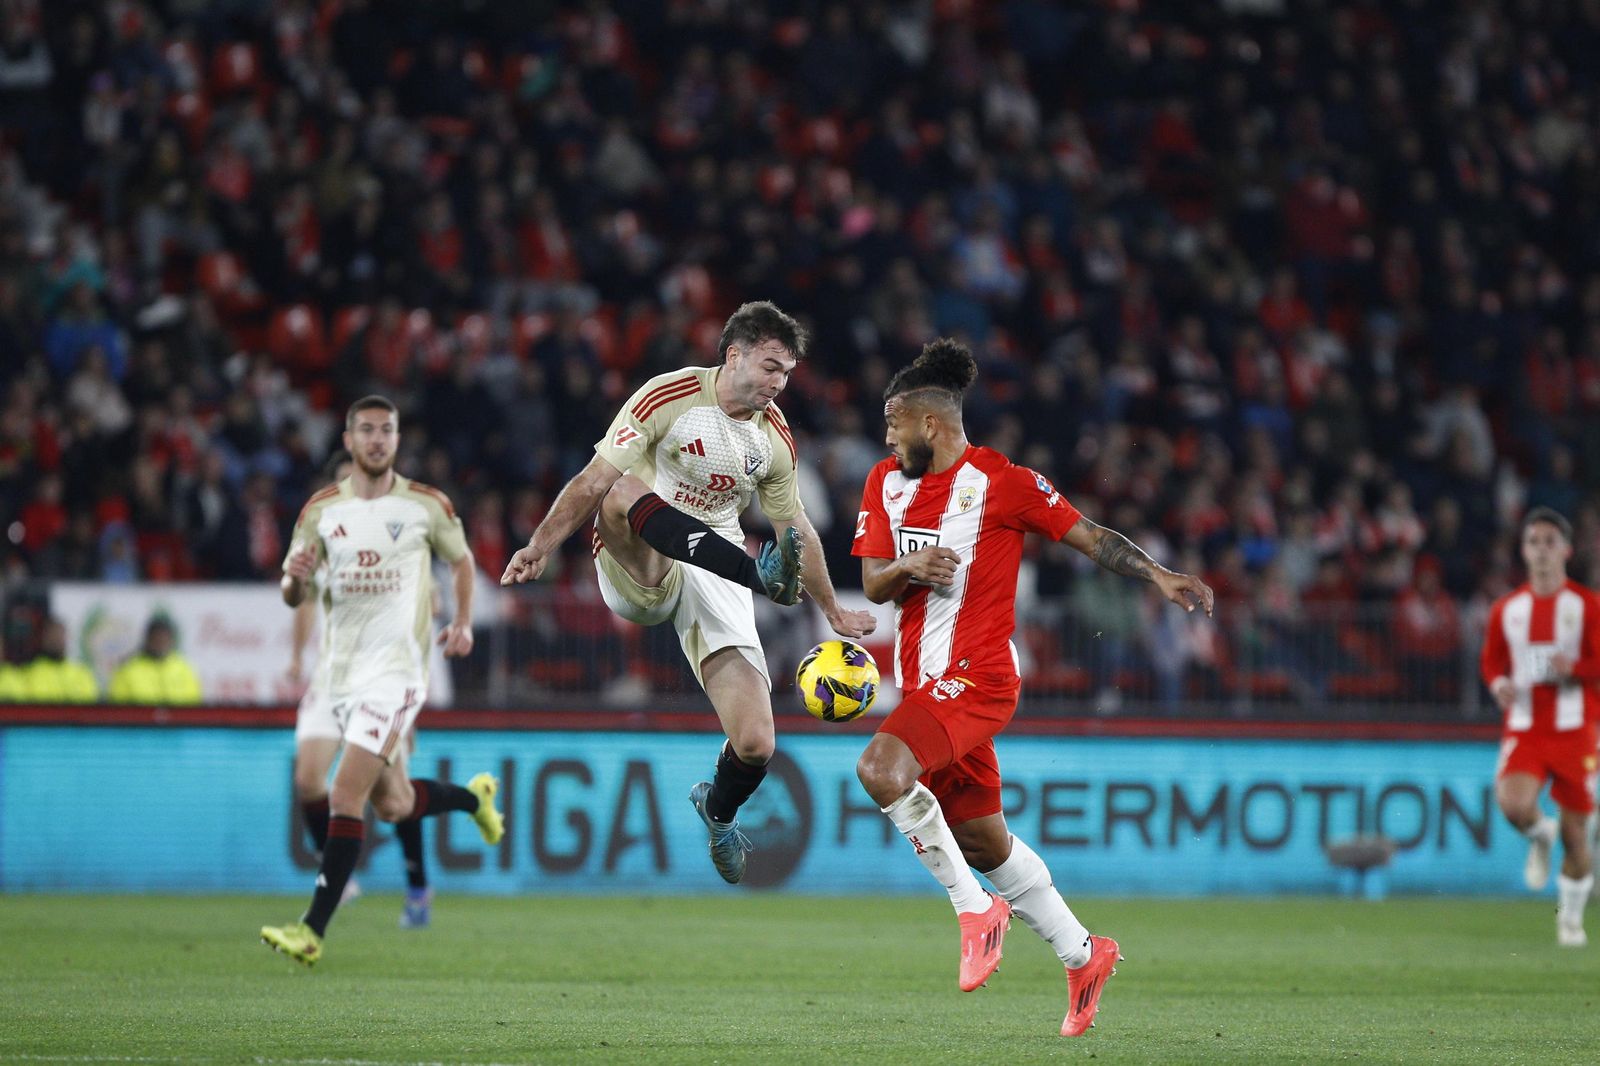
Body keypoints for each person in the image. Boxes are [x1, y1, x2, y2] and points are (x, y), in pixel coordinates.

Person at [851, 339, 1214, 1036]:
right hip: (926, 688)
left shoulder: (1005, 482)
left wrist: (1160, 575)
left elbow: (1091, 536)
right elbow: (873, 581)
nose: (886, 437)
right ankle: (1085, 954)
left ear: (930, 422)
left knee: (880, 769)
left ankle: (974, 911)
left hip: (980, 677)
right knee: (986, 844)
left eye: (894, 424)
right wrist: (912, 566)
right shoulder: (884, 483)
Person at [502, 301, 875, 884]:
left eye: (787, 374)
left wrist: (831, 609)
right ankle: (756, 576)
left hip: (714, 555)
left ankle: (719, 813)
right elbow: (594, 481)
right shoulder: (667, 397)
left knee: (755, 742)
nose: (779, 385)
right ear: (734, 355)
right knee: (623, 488)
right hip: (640, 560)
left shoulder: (772, 440)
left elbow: (794, 528)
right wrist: (540, 545)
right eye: (771, 368)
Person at [261, 395, 503, 967]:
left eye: (386, 431)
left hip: (395, 675)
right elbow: (293, 592)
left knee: (344, 793)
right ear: (348, 440)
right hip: (338, 679)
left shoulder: (425, 505)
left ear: (396, 440)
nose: (376, 439)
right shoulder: (320, 510)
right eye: (365, 430)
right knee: (393, 805)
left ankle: (312, 930)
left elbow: (462, 561)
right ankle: (475, 798)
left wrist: (463, 621)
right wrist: (293, 581)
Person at [287, 450, 435, 929]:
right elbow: (304, 601)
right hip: (333, 681)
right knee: (310, 779)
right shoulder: (321, 544)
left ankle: (417, 885)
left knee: (394, 799)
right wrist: (295, 657)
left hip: (386, 682)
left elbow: (422, 615)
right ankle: (337, 876)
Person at [1480, 506, 1600, 947]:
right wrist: (1498, 685)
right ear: (1524, 551)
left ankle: (1570, 920)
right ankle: (1539, 834)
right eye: (1534, 542)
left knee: (1577, 839)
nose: (1542, 550)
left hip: (1576, 729)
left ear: (1566, 550)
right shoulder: (1507, 610)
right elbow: (1492, 660)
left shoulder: (1587, 606)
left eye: (1551, 541)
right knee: (1512, 805)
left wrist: (1579, 668)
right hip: (1526, 726)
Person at [108, 616, 203, 704]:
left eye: (165, 638)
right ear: (148, 639)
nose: (161, 642)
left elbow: (194, 704)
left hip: (179, 721)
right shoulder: (128, 669)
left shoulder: (183, 668)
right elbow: (118, 709)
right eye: (157, 637)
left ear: (171, 640)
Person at [18, 618, 100, 702]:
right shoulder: (29, 674)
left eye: (60, 635)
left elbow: (89, 706)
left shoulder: (81, 673)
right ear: (44, 639)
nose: (57, 640)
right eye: (53, 635)